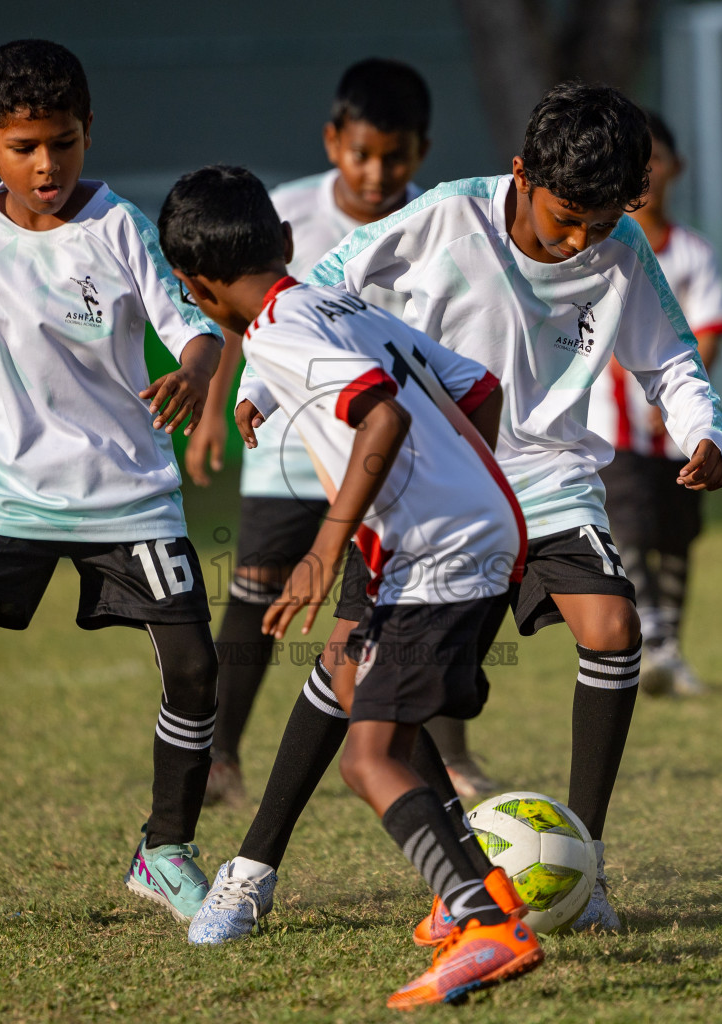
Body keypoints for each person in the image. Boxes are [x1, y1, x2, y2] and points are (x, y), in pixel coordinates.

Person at [200, 81, 722, 942]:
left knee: (613, 627)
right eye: (567, 218)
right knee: (346, 673)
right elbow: (327, 284)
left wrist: (706, 433)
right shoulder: (447, 217)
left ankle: (583, 868)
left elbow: (672, 360)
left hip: (549, 478)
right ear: (521, 174)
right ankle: (252, 869)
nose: (581, 240)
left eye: (601, 222)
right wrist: (263, 376)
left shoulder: (621, 246)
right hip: (439, 482)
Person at [161, 164, 542, 1007]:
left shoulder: (275, 333)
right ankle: (475, 891)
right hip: (468, 534)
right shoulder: (345, 308)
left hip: (438, 552)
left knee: (370, 762)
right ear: (288, 244)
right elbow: (478, 389)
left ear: (195, 288)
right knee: (360, 688)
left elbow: (384, 416)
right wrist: (442, 491)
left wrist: (328, 544)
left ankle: (485, 925)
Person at [0, 39, 224, 930]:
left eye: (63, 143)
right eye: (25, 146)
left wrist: (194, 368)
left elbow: (197, 330)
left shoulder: (120, 229)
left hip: (128, 491)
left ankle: (167, 848)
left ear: (88, 133)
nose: (47, 165)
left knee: (192, 665)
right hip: (7, 491)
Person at [185, 60, 499, 806]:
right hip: (291, 446)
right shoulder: (281, 213)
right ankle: (222, 756)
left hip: (389, 452)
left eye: (394, 156)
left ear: (421, 151)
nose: (376, 171)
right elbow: (238, 319)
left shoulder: (441, 223)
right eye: (362, 152)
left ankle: (450, 759)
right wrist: (211, 409)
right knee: (258, 588)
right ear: (333, 141)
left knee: (414, 604)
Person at [589, 110, 722, 698]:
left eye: (656, 163)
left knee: (677, 534)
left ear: (677, 168)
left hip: (677, 432)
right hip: (612, 428)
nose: (646, 176)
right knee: (631, 529)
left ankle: (669, 646)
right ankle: (652, 642)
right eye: (634, 165)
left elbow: (709, 331)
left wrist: (674, 401)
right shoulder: (596, 243)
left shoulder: (694, 252)